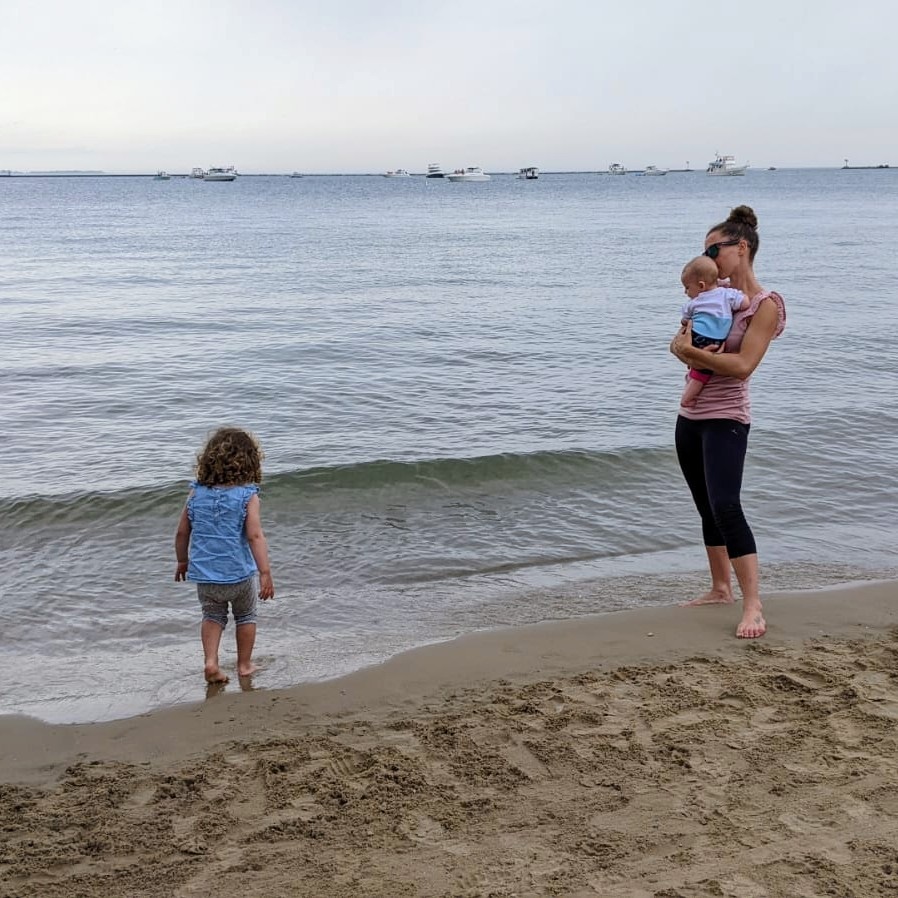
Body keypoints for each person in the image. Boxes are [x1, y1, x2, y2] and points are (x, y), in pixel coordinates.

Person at [669, 205, 786, 639]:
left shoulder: (763, 304)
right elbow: (685, 340)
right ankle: (721, 588)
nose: (709, 258)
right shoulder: (705, 296)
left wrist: (691, 355)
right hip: (690, 417)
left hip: (726, 417)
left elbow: (741, 365)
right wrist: (682, 348)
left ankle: (753, 603)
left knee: (726, 505)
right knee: (705, 506)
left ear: (741, 247)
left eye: (714, 249)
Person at [174, 427, 275, 682]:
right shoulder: (247, 496)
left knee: (212, 615)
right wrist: (265, 572)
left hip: (206, 576)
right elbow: (255, 536)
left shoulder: (195, 493)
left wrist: (182, 561)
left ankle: (210, 662)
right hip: (239, 574)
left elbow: (181, 532)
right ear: (250, 462)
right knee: (246, 615)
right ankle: (244, 665)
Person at [679, 255, 750, 407]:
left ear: (701, 285)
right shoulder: (726, 294)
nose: (686, 292)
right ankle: (689, 394)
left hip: (698, 336)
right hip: (717, 341)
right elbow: (744, 303)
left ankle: (686, 398)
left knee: (699, 368)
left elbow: (685, 319)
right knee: (702, 372)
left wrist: (687, 322)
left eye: (687, 288)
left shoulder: (695, 302)